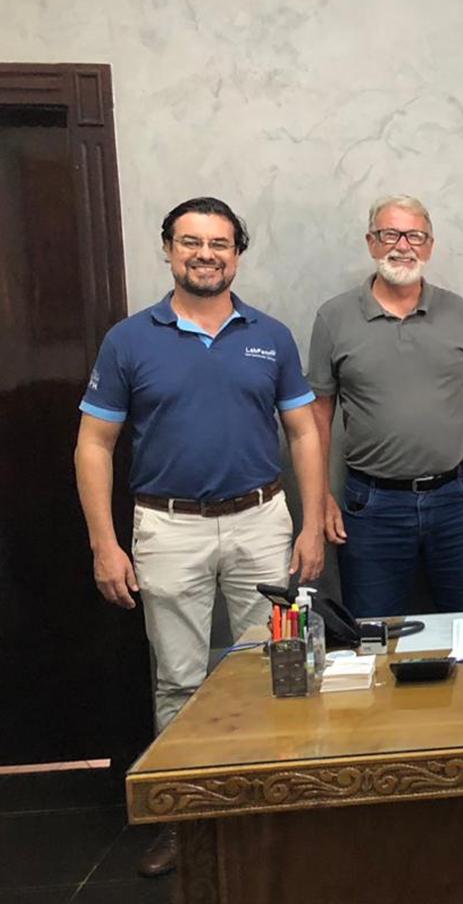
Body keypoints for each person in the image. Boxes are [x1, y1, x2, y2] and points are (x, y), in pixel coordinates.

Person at [74, 197, 325, 876]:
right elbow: (94, 444)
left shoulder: (271, 335)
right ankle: (188, 823)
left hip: (261, 521)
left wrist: (310, 525)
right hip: (168, 526)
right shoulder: (129, 340)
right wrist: (104, 544)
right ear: (168, 249)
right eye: (191, 242)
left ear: (237, 253)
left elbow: (303, 432)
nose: (205, 255)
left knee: (272, 671)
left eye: (219, 243)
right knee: (179, 680)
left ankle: (264, 814)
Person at [306, 195, 463, 616]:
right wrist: (320, 495)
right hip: (373, 505)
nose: (403, 246)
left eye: (415, 236)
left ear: (429, 246)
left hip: (460, 498)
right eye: (390, 234)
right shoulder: (334, 318)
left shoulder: (459, 312)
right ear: (371, 242)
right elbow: (318, 414)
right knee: (372, 632)